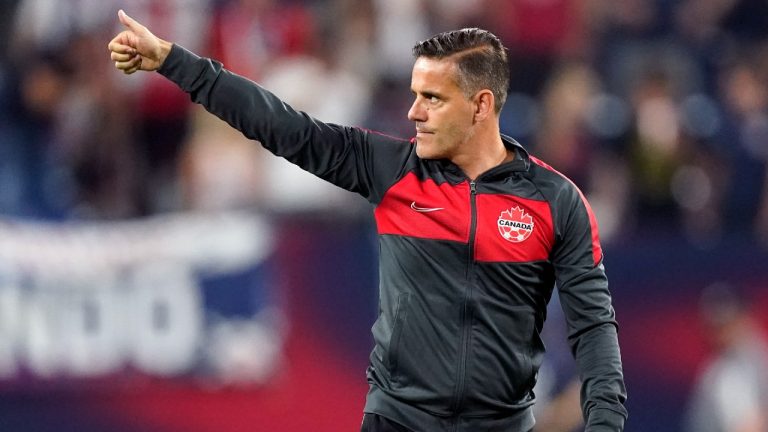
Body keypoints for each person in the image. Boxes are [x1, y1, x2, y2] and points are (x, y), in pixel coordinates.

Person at [108, 9, 627, 431]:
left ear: (480, 106)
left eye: (432, 99)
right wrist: (176, 62)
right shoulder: (392, 170)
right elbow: (282, 127)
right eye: (414, 95)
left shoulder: (556, 202)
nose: (413, 113)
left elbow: (594, 327)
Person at [685, 283, 768, 432]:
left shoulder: (733, 370)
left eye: (725, 324)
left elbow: (748, 427)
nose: (720, 333)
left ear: (743, 318)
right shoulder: (746, 358)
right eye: (714, 325)